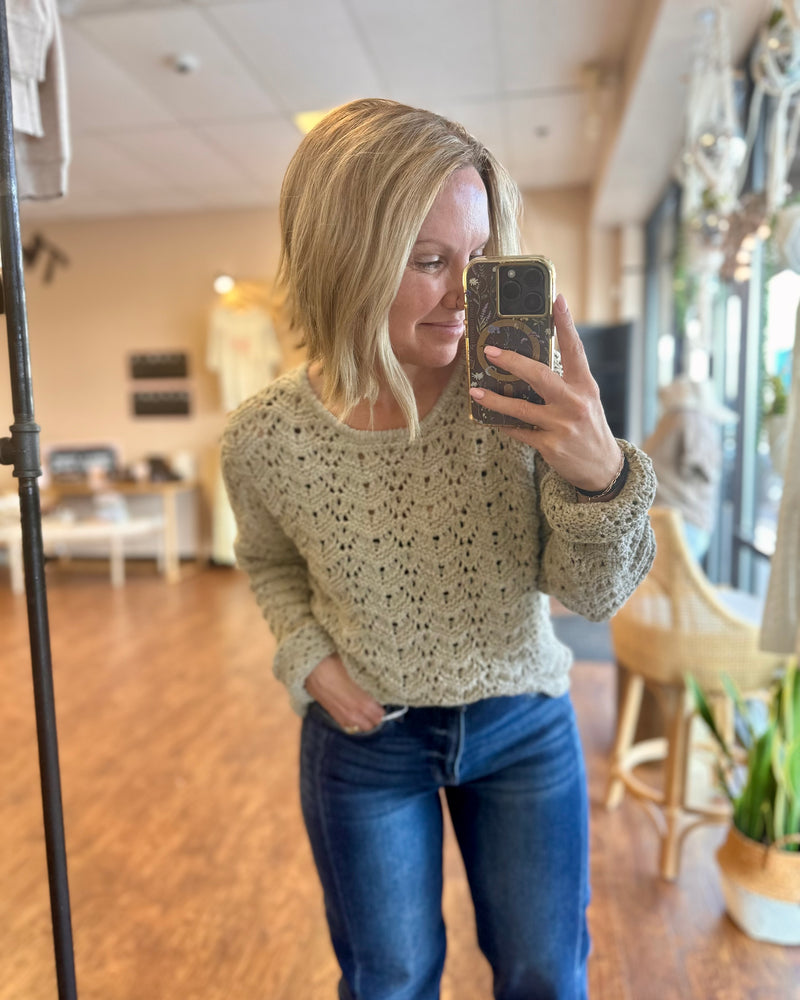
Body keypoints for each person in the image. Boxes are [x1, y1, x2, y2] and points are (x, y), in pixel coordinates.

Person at [222, 98, 656, 1000]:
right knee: (389, 980)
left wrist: (600, 478)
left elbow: (593, 595)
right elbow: (268, 562)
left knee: (546, 975)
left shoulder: (522, 404)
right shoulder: (264, 439)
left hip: (523, 722)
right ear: (345, 257)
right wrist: (308, 660)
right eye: (428, 261)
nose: (465, 292)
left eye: (480, 257)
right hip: (365, 740)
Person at [642, 376, 736, 561]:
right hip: (676, 519)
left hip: (681, 521)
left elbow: (699, 466)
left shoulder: (687, 418)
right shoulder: (679, 419)